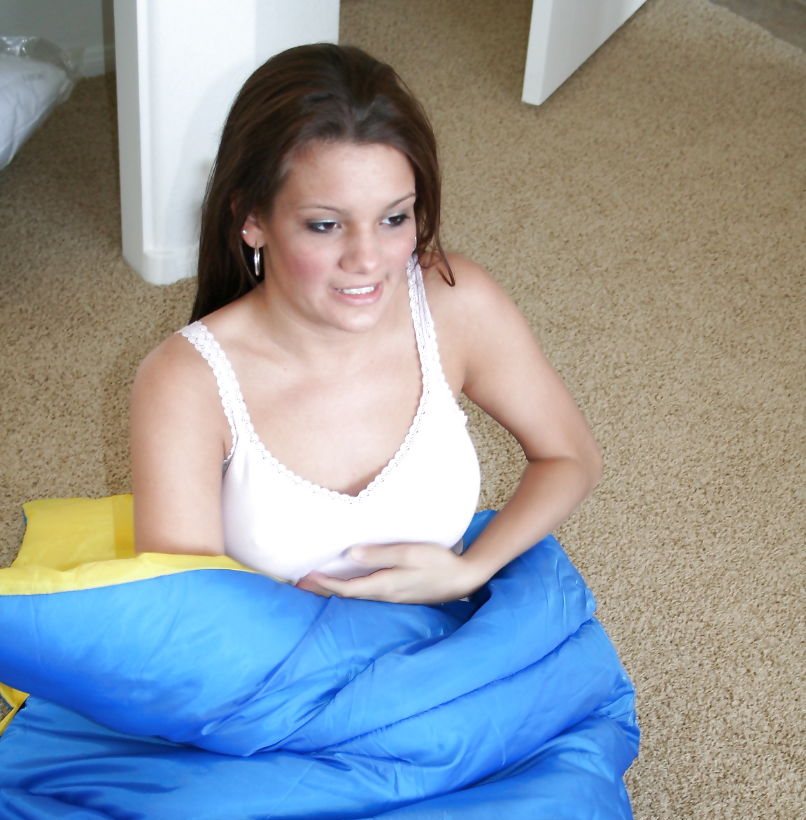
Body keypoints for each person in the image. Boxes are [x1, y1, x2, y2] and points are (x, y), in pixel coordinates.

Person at [130, 42, 601, 604]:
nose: (368, 260)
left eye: (394, 218)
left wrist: (470, 570)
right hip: (270, 652)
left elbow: (570, 456)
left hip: (454, 630)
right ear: (251, 219)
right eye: (326, 225)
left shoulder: (455, 303)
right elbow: (190, 615)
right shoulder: (186, 382)